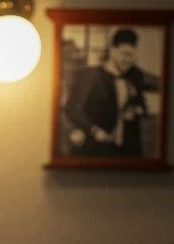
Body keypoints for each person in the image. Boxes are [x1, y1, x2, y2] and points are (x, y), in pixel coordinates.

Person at [63, 27, 160, 159]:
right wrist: (94, 130)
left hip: (128, 151)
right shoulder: (91, 75)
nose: (128, 60)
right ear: (112, 50)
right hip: (95, 149)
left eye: (132, 56)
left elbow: (144, 104)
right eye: (125, 54)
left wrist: (136, 110)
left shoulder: (135, 75)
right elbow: (72, 109)